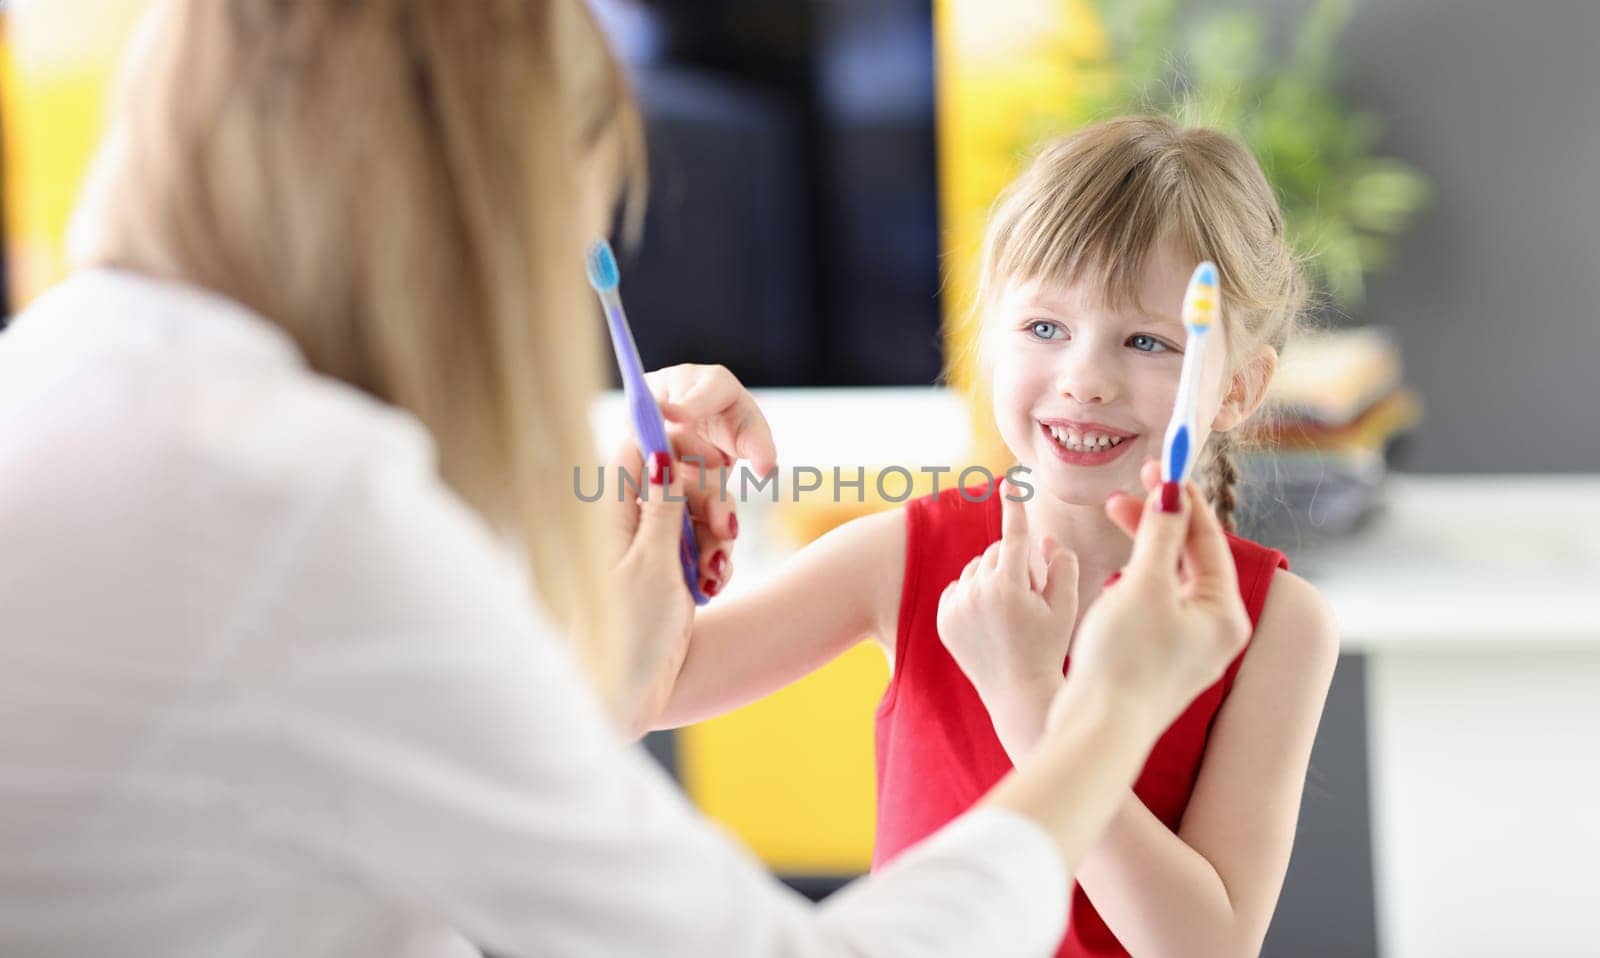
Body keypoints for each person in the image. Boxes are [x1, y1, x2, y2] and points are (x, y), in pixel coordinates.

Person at [0, 3, 1262, 956]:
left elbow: (477, 724)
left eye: (1147, 340)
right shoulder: (292, 505)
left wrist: (605, 596)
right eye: (564, 228)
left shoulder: (71, 378)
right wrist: (1092, 717)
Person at [657, 116, 1342, 957]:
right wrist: (650, 499)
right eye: (1045, 328)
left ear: (1237, 388)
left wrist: (1027, 699)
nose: (1085, 379)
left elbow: (1204, 946)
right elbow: (638, 691)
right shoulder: (901, 556)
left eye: (1147, 342)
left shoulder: (1277, 624)